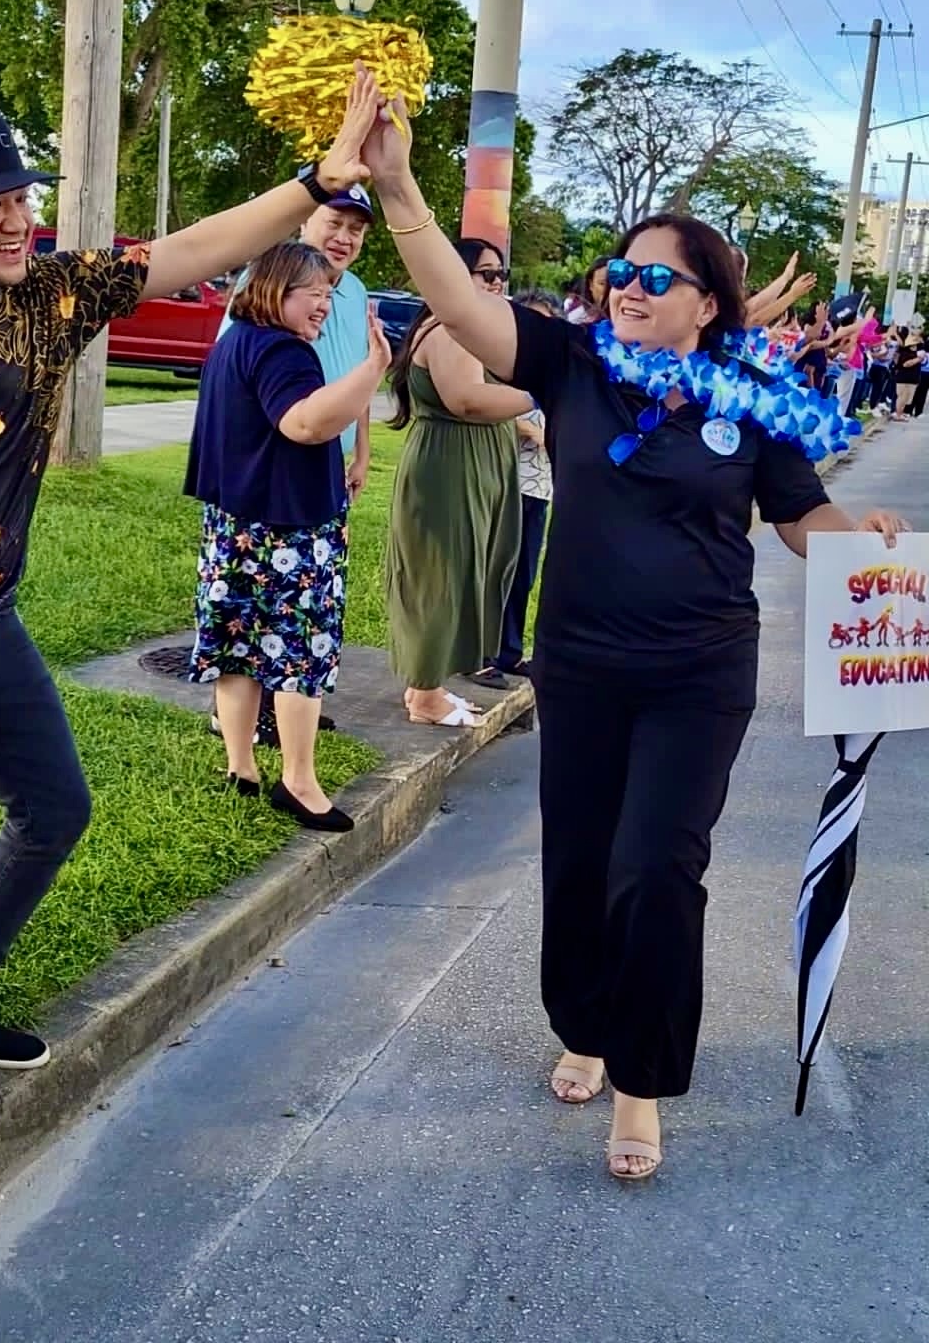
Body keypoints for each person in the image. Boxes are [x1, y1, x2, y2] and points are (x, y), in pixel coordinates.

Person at [357, 77, 906, 1182]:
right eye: (622, 271)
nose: (628, 288)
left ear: (707, 304)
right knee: (580, 860)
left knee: (658, 869)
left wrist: (866, 537)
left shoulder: (749, 396)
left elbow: (800, 515)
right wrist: (401, 190)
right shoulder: (572, 364)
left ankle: (642, 1084)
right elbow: (461, 313)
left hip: (699, 672)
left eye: (657, 277)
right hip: (585, 664)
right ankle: (587, 1024)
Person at [0, 71, 381, 1070]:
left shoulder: (44, 296)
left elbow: (188, 250)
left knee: (55, 808)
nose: (15, 219)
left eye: (21, 198)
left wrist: (313, 180)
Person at [186, 241, 390, 831]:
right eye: (315, 293)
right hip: (290, 529)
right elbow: (304, 422)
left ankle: (240, 766)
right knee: (301, 653)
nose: (325, 304)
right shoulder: (284, 352)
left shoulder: (234, 342)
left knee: (237, 647)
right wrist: (374, 369)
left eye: (330, 292)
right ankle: (298, 782)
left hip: (233, 524)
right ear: (277, 289)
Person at [212, 185, 376, 749]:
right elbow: (240, 382)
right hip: (273, 459)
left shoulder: (352, 293)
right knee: (266, 599)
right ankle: (247, 719)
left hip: (325, 451)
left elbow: (355, 375)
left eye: (356, 230)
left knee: (293, 602)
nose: (344, 238)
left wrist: (360, 450)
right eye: (335, 222)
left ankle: (285, 711)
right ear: (307, 221)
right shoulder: (263, 289)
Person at [384, 238, 527, 725]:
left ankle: (428, 686)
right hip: (451, 463)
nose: (496, 283)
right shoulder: (449, 330)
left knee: (464, 568)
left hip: (474, 459)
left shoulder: (470, 329)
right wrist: (542, 392)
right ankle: (425, 696)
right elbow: (466, 398)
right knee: (441, 574)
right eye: (485, 274)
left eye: (500, 275)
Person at [483, 288, 561, 682]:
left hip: (540, 486)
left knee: (523, 572)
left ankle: (509, 652)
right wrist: (529, 428)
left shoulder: (557, 370)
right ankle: (484, 651)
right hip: (505, 482)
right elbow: (478, 403)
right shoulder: (502, 365)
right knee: (497, 570)